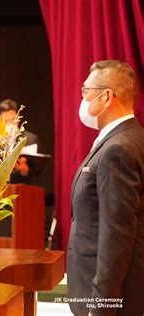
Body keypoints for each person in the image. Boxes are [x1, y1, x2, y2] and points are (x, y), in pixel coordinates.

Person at [67, 60, 144, 315]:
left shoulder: (118, 149)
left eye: (85, 91)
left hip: (105, 296)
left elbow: (116, 236)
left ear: (106, 97)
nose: (82, 99)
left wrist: (101, 306)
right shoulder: (132, 136)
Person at [0, 99, 39, 184]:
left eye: (12, 120)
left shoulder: (29, 139)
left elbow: (37, 169)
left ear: (18, 119)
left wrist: (25, 170)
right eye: (6, 121)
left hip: (21, 188)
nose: (10, 124)